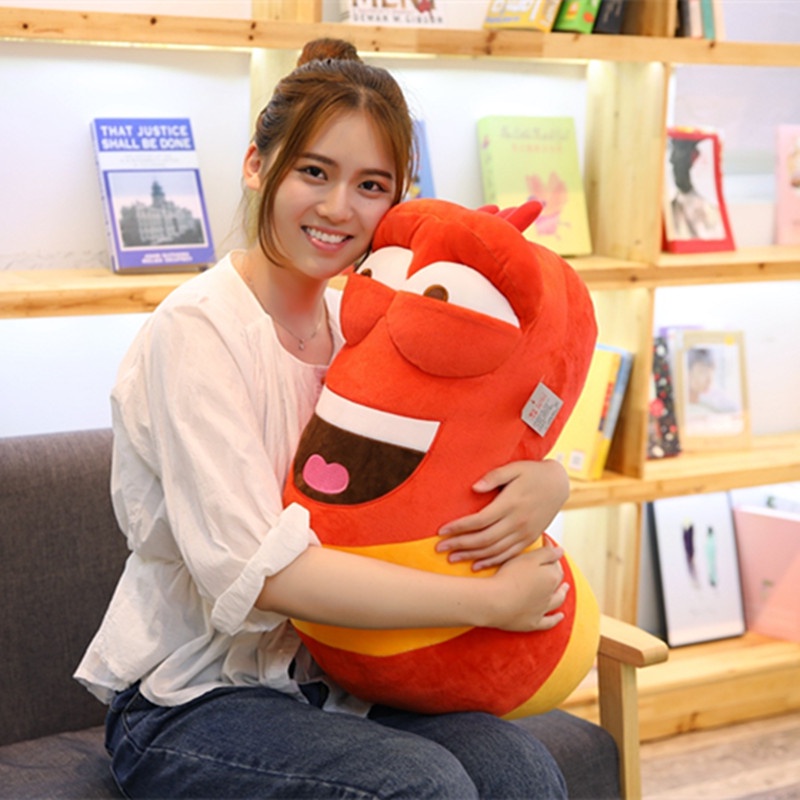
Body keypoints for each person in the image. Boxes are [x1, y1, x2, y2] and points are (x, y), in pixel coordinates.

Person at [75, 38, 573, 799]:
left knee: (521, 769)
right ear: (257, 165)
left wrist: (550, 481)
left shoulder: (364, 333)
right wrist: (489, 603)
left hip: (336, 677)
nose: (340, 208)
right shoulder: (197, 330)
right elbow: (262, 574)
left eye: (371, 185)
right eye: (314, 172)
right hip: (191, 697)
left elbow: (449, 464)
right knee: (422, 783)